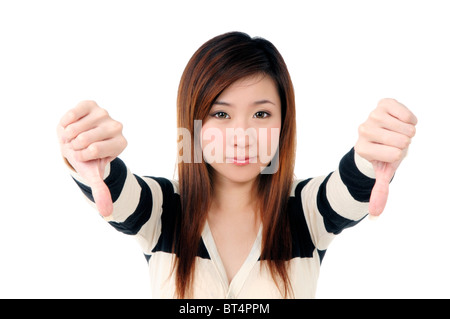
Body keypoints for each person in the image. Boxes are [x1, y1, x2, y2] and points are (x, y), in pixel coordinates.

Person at [56, 32, 417, 298]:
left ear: (283, 124)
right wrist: (88, 156)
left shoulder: (305, 209)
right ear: (193, 123)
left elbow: (346, 189)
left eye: (261, 113)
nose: (242, 135)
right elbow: (118, 190)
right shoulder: (164, 208)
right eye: (220, 114)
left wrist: (372, 157)